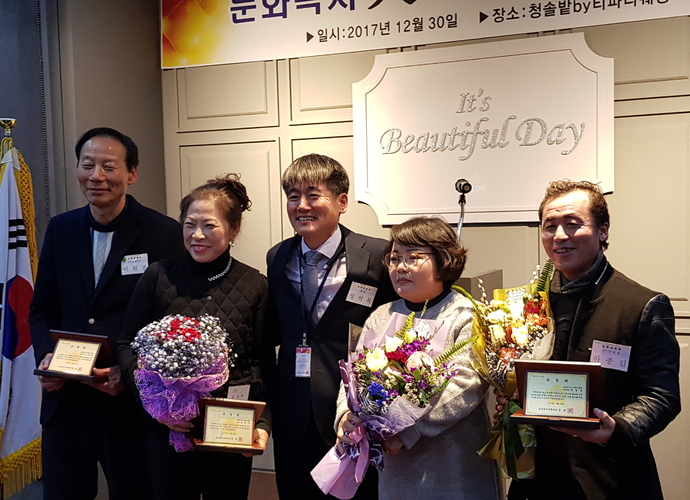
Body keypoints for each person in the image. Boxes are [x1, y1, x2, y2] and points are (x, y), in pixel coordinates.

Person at [29, 127, 184, 500]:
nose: (96, 176)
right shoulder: (61, 229)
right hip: (66, 399)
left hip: (127, 401)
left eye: (109, 166)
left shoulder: (163, 233)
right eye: (87, 165)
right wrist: (46, 358)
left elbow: (171, 323)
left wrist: (130, 373)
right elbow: (42, 308)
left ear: (131, 173)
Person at [502, 180, 680, 500]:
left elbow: (661, 396)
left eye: (573, 224)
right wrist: (514, 398)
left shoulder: (641, 305)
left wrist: (616, 429)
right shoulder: (525, 306)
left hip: (609, 477)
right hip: (536, 479)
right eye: (550, 226)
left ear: (603, 231)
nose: (559, 236)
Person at [117, 173, 270, 500]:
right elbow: (126, 343)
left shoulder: (255, 284)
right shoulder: (158, 276)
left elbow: (262, 361)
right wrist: (156, 404)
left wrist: (263, 423)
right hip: (166, 429)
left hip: (230, 426)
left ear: (233, 230)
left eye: (209, 226)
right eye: (189, 225)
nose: (197, 235)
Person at [336, 216, 500, 500]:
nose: (400, 266)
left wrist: (407, 432)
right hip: (397, 469)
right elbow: (353, 374)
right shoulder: (382, 315)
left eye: (413, 257)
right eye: (394, 258)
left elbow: (466, 386)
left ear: (444, 260)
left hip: (453, 465)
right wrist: (346, 416)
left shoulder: (465, 314)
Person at [264, 153, 397, 499]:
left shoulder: (377, 255)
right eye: (293, 196)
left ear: (342, 202)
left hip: (352, 410)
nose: (301, 206)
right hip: (292, 405)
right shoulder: (277, 257)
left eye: (313, 195)